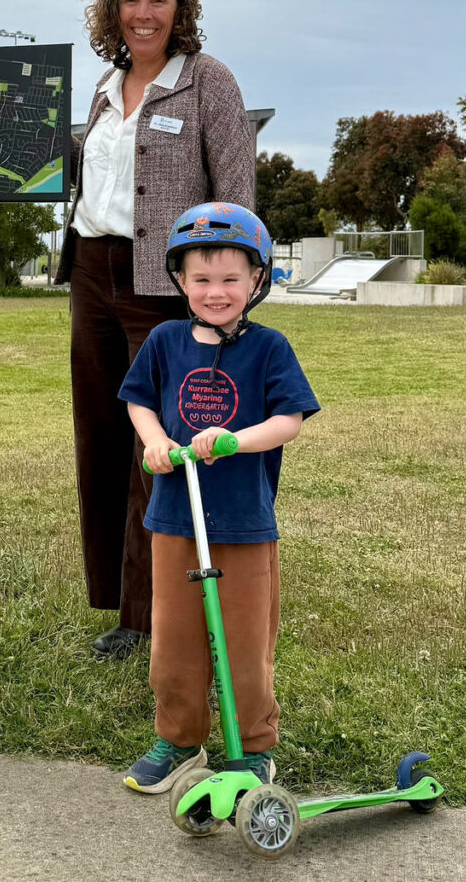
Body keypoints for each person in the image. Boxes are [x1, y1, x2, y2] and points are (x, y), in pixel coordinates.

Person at [54, 0, 255, 659]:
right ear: (113, 11)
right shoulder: (103, 88)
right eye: (130, 1)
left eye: (157, 1)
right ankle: (114, 593)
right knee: (99, 438)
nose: (143, 14)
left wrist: (226, 290)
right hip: (92, 271)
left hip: (164, 284)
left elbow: (235, 192)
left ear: (180, 10)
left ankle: (147, 614)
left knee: (159, 447)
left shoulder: (208, 81)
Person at [118, 201, 320, 792]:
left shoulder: (270, 347)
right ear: (180, 280)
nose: (216, 292)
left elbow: (288, 420)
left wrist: (235, 440)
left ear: (256, 279)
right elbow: (139, 400)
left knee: (246, 642)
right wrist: (156, 440)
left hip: (243, 520)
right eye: (201, 279)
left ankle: (253, 746)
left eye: (231, 279)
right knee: (174, 642)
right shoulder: (164, 341)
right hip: (175, 518)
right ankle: (180, 739)